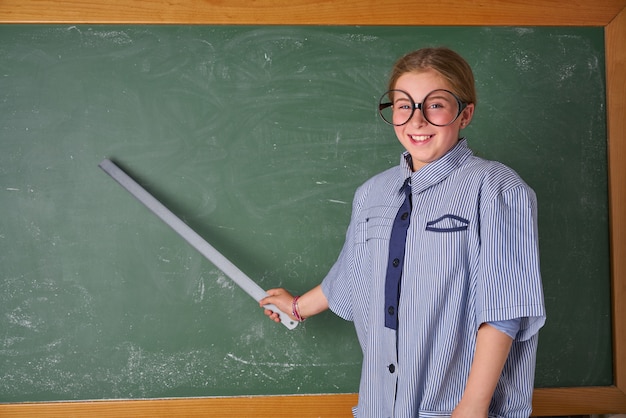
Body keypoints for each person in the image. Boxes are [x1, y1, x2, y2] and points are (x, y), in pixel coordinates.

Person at [260, 47, 546, 418]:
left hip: (457, 407)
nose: (417, 120)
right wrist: (297, 307)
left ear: (466, 113)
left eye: (436, 105)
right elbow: (352, 272)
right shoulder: (372, 193)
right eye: (404, 105)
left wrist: (472, 407)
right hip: (381, 404)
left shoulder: (497, 189)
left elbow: (504, 309)